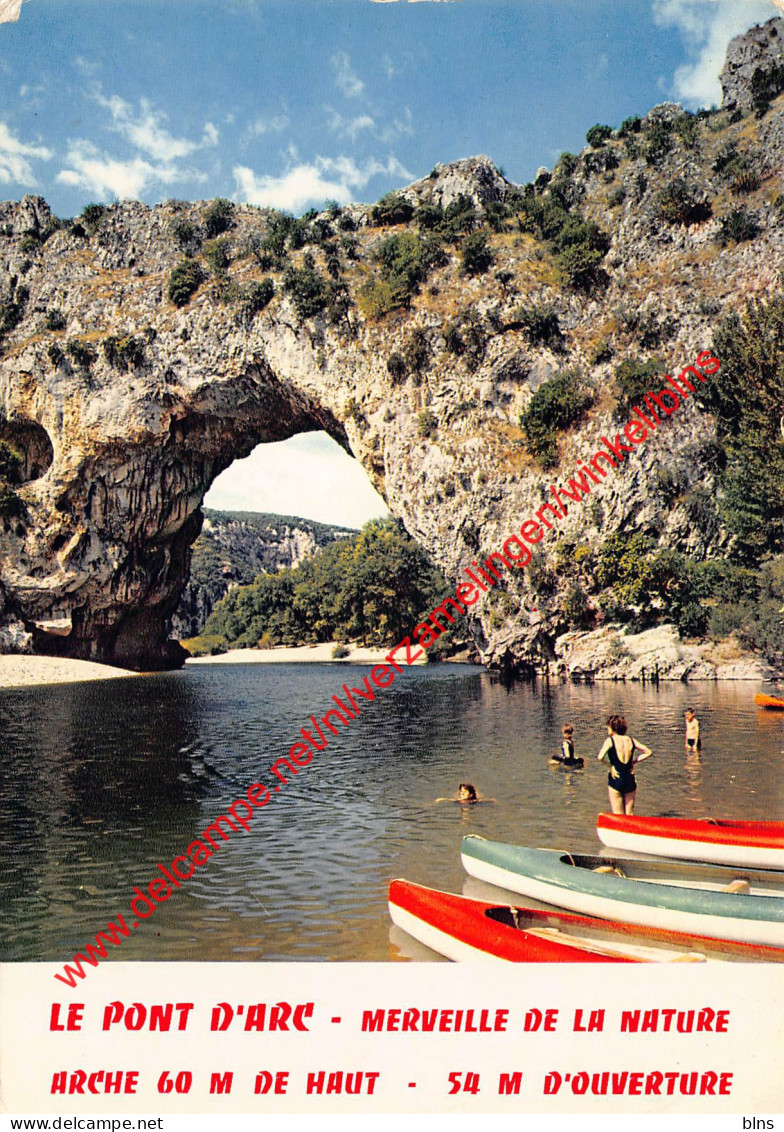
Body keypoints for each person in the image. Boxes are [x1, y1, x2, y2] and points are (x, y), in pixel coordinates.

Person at [597, 714, 652, 815]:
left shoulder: (610, 740)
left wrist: (610, 767)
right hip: (629, 778)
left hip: (616, 778)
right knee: (629, 814)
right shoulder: (631, 740)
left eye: (608, 727)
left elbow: (600, 757)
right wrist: (634, 762)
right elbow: (648, 752)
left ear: (612, 727)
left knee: (618, 814)